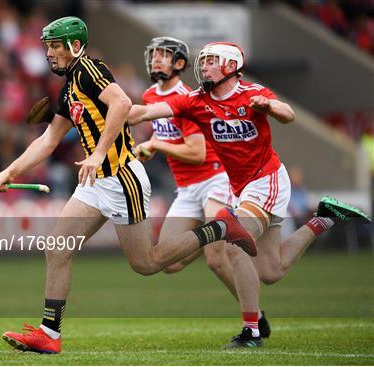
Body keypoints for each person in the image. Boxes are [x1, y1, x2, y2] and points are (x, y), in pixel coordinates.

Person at [0, 18, 256, 354]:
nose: (49, 53)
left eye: (55, 46)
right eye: (47, 46)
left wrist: (98, 152)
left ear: (74, 46)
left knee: (146, 263)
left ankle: (219, 227)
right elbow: (48, 139)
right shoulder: (69, 86)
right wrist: (9, 172)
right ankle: (49, 334)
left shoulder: (88, 68)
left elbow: (122, 104)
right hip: (95, 182)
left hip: (120, 178)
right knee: (57, 248)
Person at [128, 41, 372, 347]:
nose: (203, 67)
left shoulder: (250, 94)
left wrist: (270, 107)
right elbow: (146, 112)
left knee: (234, 245)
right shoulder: (196, 100)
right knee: (271, 271)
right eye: (202, 62)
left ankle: (252, 331)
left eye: (210, 62)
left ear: (230, 66)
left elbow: (288, 114)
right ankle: (323, 219)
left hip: (266, 180)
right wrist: (116, 112)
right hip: (239, 187)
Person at [132, 36, 275, 341]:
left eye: (163, 55)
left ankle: (253, 318)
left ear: (180, 64)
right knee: (168, 261)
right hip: (185, 189)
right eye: (153, 54)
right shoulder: (149, 95)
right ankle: (254, 312)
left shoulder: (189, 98)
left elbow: (196, 152)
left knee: (215, 256)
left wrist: (158, 145)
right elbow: (162, 136)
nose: (156, 60)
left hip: (214, 178)